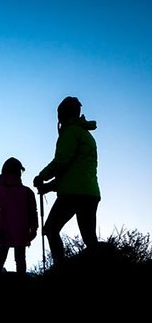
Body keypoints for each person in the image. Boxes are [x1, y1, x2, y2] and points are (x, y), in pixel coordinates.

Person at [33, 96, 100, 265]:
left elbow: (62, 161)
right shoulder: (86, 135)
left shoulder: (70, 132)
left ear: (62, 113)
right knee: (89, 238)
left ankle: (60, 268)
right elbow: (74, 171)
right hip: (90, 192)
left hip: (73, 194)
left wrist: (42, 176)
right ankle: (101, 268)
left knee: (50, 229)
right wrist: (48, 187)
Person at [0, 157, 38, 274]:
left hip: (3, 231)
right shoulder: (27, 192)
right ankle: (22, 283)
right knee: (20, 259)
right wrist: (34, 229)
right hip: (22, 231)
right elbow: (32, 212)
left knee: (0, 257)